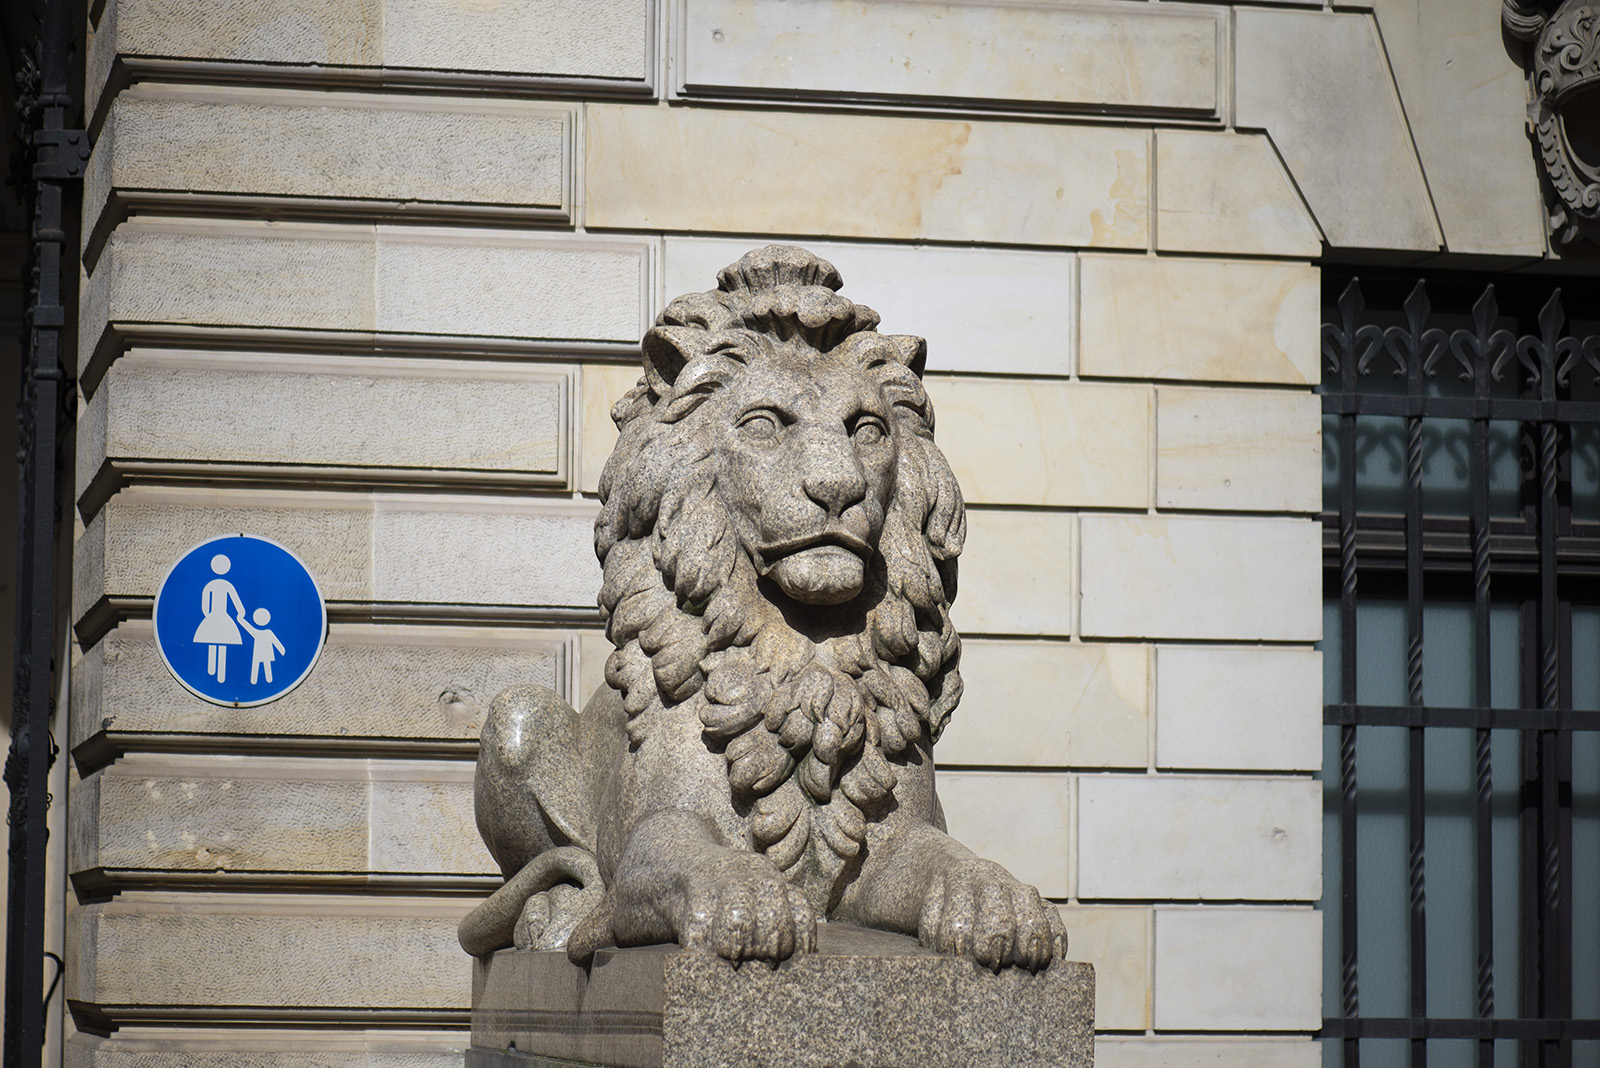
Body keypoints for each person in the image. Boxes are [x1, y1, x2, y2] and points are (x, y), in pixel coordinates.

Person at [193, 554, 245, 683]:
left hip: (214, 616)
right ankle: (216, 673)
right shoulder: (224, 585)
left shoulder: (211, 585)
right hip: (220, 617)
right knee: (220, 641)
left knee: (215, 640)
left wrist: (207, 615)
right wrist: (241, 612)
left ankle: (215, 672)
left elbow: (205, 604)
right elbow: (236, 601)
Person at [237, 607, 286, 686]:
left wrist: (281, 649)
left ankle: (259, 681)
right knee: (261, 665)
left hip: (263, 652)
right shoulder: (263, 632)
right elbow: (248, 627)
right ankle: (256, 681)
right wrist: (281, 650)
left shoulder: (262, 632)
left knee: (262, 665)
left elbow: (275, 641)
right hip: (261, 652)